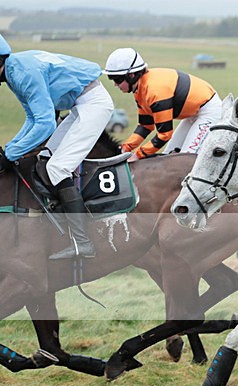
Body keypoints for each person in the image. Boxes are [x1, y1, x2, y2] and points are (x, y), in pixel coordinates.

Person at [0, 34, 114, 259]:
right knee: (45, 157)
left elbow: (45, 123)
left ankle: (84, 242)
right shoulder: (14, 70)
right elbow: (33, 118)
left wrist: (10, 154)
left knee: (57, 168)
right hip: (80, 105)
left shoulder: (22, 72)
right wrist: (9, 149)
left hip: (92, 104)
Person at [104, 47, 222, 161]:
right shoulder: (139, 90)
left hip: (208, 111)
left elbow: (164, 134)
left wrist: (138, 155)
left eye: (117, 79)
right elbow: (145, 126)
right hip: (193, 113)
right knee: (167, 156)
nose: (115, 84)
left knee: (186, 160)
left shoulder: (154, 90)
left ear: (131, 75)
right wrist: (124, 148)